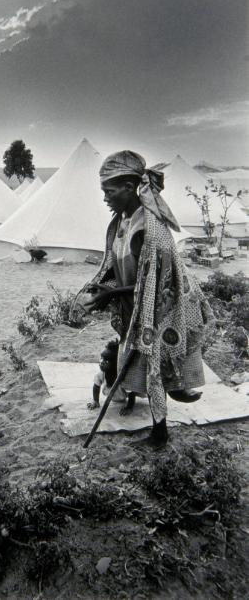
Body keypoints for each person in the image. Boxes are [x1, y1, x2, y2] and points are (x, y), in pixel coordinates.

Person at [70, 150, 214, 448]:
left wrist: (110, 293)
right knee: (141, 363)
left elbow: (150, 284)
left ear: (128, 187)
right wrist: (102, 289)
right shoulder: (123, 221)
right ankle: (173, 391)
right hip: (136, 305)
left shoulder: (147, 230)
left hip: (164, 307)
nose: (105, 198)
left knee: (152, 364)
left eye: (109, 191)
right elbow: (117, 265)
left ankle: (160, 433)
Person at [87, 339, 136, 416]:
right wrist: (95, 401)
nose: (101, 362)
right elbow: (96, 386)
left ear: (115, 363)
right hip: (113, 395)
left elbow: (131, 394)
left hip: (123, 395)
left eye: (106, 360)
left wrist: (129, 407)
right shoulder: (102, 374)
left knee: (134, 386)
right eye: (101, 358)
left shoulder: (124, 377)